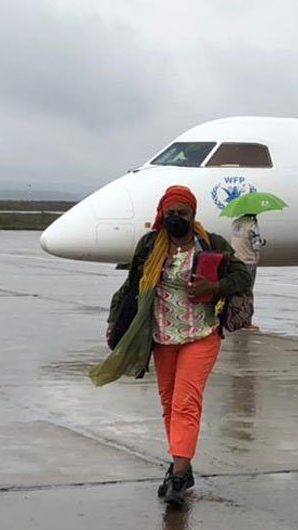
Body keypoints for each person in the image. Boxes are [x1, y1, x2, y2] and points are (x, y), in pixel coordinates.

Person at [96, 185, 251, 506]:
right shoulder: (151, 245)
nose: (177, 219)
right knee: (169, 403)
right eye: (171, 214)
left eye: (183, 213)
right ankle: (183, 463)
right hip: (163, 335)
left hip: (201, 332)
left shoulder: (211, 243)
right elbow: (131, 285)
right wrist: (115, 318)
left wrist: (215, 285)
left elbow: (242, 278)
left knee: (185, 403)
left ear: (193, 214)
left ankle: (178, 475)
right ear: (161, 215)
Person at [231, 213, 265, 330]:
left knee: (237, 291)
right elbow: (256, 245)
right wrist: (261, 242)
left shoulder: (235, 223)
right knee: (248, 292)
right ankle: (247, 322)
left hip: (236, 260)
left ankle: (233, 319)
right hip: (248, 262)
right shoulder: (252, 225)